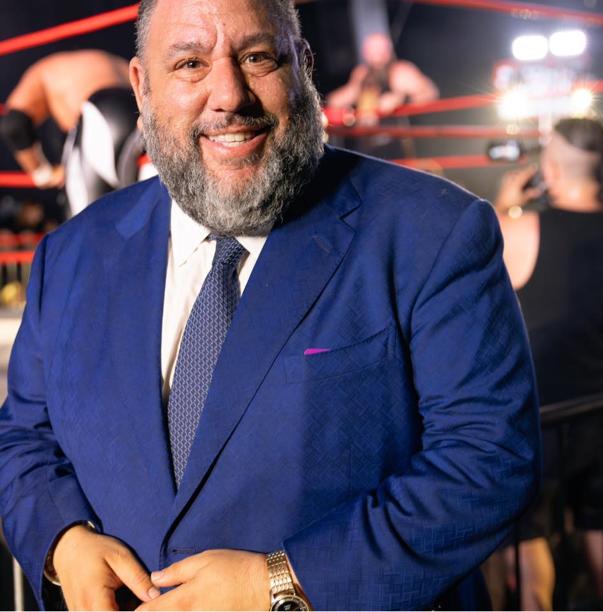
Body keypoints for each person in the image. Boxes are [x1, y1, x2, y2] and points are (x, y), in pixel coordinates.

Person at [0, 1, 539, 610]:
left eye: (257, 57)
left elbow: (489, 459)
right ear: (141, 87)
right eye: (190, 64)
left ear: (302, 65)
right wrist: (62, 541)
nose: (229, 95)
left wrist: (284, 583)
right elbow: (22, 436)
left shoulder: (431, 230)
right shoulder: (71, 254)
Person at [495, 117, 603, 610]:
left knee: (527, 537)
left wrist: (506, 202)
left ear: (551, 170)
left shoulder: (522, 229)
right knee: (602, 529)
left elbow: (472, 250)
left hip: (544, 420)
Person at [0, 50, 140, 217]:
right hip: (140, 120)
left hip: (97, 117)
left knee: (85, 226)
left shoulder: (46, 70)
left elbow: (14, 124)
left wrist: (42, 173)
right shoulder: (114, 61)